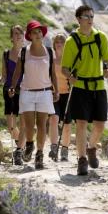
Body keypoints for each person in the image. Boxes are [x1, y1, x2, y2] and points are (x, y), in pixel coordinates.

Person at [61, 5, 108, 175]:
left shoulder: (101, 37)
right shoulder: (71, 41)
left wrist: (106, 69)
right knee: (81, 124)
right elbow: (65, 68)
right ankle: (81, 160)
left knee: (100, 125)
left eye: (91, 15)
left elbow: (106, 60)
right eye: (86, 16)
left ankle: (91, 149)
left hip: (98, 86)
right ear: (78, 19)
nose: (90, 19)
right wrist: (70, 77)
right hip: (80, 86)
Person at [9, 20, 59, 169]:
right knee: (29, 126)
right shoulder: (24, 52)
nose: (38, 34)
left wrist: (56, 89)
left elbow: (53, 74)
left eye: (39, 32)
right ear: (29, 35)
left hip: (44, 92)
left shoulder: (49, 51)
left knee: (42, 125)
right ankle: (29, 144)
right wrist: (12, 86)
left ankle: (39, 155)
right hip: (27, 93)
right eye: (34, 32)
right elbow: (18, 71)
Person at [0, 25, 25, 165]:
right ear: (11, 37)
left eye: (20, 33)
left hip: (24, 91)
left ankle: (20, 150)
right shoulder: (6, 54)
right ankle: (21, 145)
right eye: (15, 33)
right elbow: (5, 75)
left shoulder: (27, 53)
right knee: (11, 127)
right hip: (8, 91)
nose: (18, 35)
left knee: (23, 124)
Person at [49, 33, 72, 161]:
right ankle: (53, 147)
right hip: (54, 94)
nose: (59, 44)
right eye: (57, 42)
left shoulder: (70, 61)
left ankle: (65, 149)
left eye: (62, 42)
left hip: (68, 95)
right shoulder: (51, 60)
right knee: (53, 118)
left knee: (67, 125)